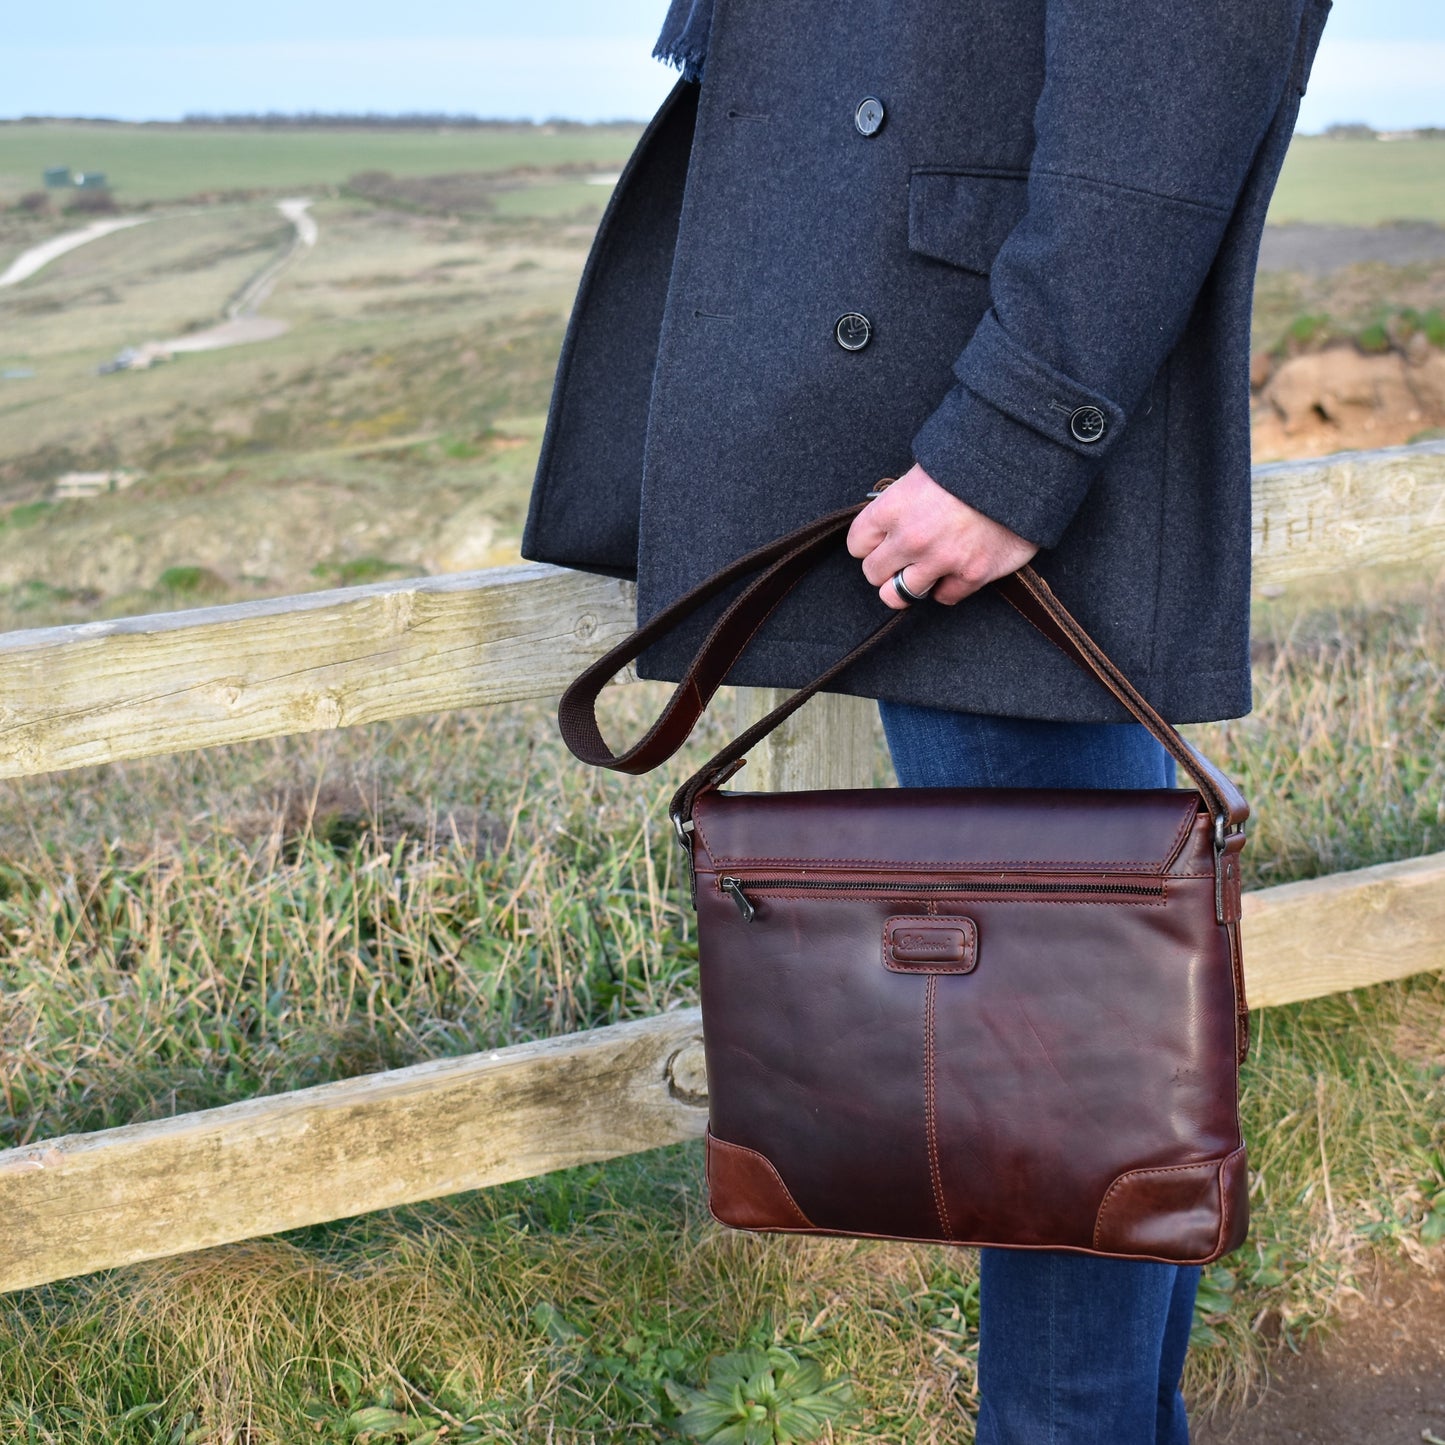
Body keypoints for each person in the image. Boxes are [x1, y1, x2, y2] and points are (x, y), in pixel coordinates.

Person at [522, 2, 1330, 1439]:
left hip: (959, 418)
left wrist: (1018, 434)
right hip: (914, 391)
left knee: (1074, 1059)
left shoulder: (997, 449)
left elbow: (1184, 47)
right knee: (1091, 1052)